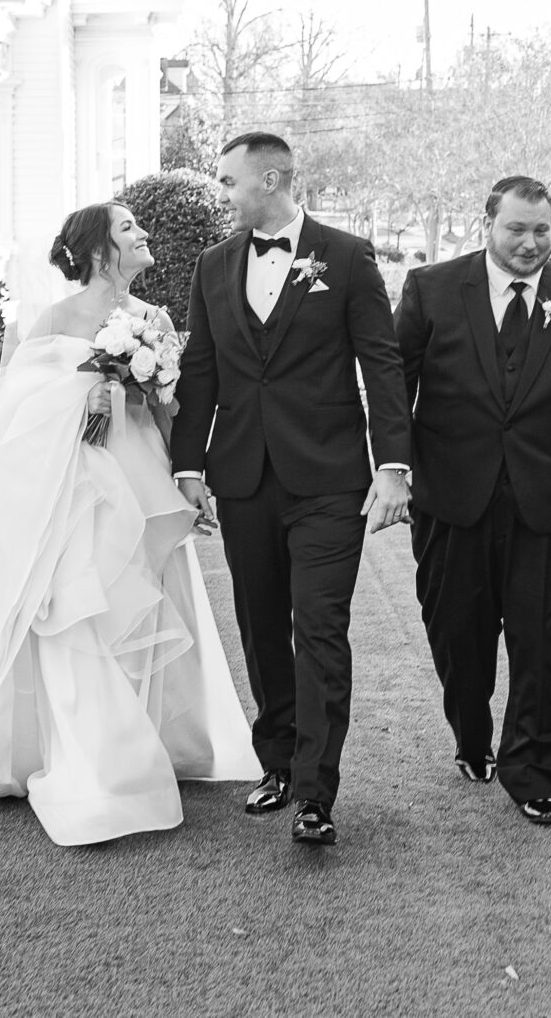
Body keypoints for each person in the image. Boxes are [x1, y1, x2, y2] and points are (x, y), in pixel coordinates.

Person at [0, 202, 260, 844]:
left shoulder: (156, 319)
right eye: (129, 227)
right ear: (97, 248)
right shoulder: (52, 318)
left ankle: (157, 736)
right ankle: (95, 752)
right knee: (83, 605)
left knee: (148, 597)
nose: (142, 234)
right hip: (74, 484)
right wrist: (89, 393)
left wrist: (188, 478)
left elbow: (172, 410)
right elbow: (10, 412)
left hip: (143, 475)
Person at [171, 132, 412, 847]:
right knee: (260, 622)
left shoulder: (347, 255)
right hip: (243, 475)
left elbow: (383, 361)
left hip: (329, 478)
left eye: (228, 180)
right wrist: (190, 468)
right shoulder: (214, 264)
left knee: (320, 625)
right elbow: (200, 369)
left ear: (270, 177)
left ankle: (315, 788)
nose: (222, 192)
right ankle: (276, 759)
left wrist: (393, 464)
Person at [393, 174, 551, 827]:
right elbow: (395, 387)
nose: (531, 243)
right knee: (457, 635)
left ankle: (535, 770)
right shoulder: (432, 289)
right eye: (517, 229)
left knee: (537, 637)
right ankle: (472, 733)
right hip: (451, 499)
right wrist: (396, 465)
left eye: (542, 230)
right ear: (487, 224)